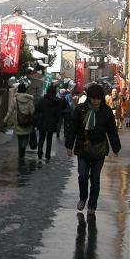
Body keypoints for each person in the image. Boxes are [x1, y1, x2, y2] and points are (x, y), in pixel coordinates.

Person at [65, 83, 121, 220]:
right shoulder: (80, 110)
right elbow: (73, 128)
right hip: (83, 149)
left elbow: (112, 131)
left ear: (101, 98)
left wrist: (116, 148)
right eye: (93, 98)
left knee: (95, 179)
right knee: (83, 176)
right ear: (89, 97)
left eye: (98, 98)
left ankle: (92, 205)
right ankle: (83, 198)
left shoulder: (106, 111)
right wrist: (69, 145)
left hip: (99, 149)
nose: (95, 101)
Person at [4, 80, 36, 160]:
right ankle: (23, 147)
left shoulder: (15, 99)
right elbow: (32, 111)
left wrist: (6, 119)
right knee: (26, 136)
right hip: (28, 121)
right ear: (25, 90)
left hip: (18, 121)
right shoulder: (30, 100)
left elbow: (10, 111)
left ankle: (21, 154)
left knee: (19, 138)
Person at [34, 84, 63, 162]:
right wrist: (57, 120)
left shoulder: (42, 99)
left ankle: (40, 151)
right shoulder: (57, 101)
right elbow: (59, 112)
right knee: (49, 139)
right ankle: (47, 155)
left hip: (42, 121)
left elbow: (36, 108)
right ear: (54, 92)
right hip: (52, 122)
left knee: (41, 138)